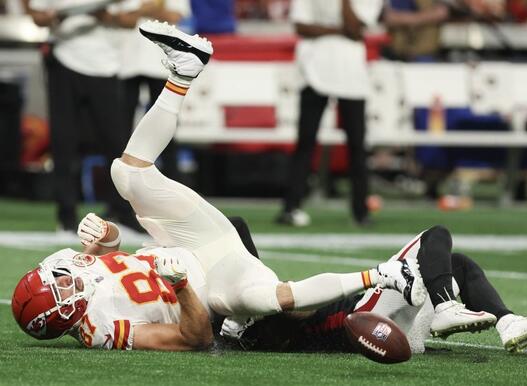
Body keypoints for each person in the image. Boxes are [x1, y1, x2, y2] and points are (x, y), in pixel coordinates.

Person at [11, 21, 430, 350]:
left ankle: (183, 74)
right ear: (65, 314)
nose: (63, 276)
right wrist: (179, 287)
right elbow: (196, 339)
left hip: (182, 239)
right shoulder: (101, 328)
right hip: (213, 284)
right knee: (270, 299)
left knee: (127, 174)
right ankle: (384, 275)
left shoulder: (70, 267)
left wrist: (105, 236)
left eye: (55, 276)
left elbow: (111, 254)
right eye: (59, 287)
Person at [222, 225, 527, 354]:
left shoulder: (238, 315)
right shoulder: (261, 312)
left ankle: (508, 323)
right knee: (435, 236)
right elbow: (294, 308)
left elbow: (235, 227)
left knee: (457, 263)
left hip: (390, 330)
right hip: (368, 319)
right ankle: (447, 308)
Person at [27, 0, 142, 231]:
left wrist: (105, 16)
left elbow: (130, 21)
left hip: (106, 66)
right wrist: (56, 17)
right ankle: (66, 216)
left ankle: (122, 211)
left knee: (116, 143)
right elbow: (37, 16)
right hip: (63, 62)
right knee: (64, 141)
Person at [275, 0, 383, 227]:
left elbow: (354, 28)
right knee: (306, 141)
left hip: (351, 75)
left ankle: (361, 212)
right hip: (314, 72)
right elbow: (301, 27)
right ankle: (290, 207)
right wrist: (337, 30)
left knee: (357, 144)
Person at [118, 0, 192, 182]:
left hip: (162, 64)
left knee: (166, 128)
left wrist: (138, 12)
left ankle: (171, 183)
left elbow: (175, 16)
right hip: (125, 64)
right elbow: (119, 19)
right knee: (120, 130)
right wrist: (152, 9)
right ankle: (121, 191)